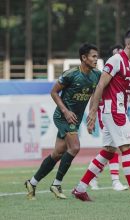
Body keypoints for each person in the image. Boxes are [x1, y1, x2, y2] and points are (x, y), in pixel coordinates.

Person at [72, 30, 130, 203]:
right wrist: (93, 112)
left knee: (109, 151)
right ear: (128, 44)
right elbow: (100, 85)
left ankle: (80, 188)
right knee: (127, 148)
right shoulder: (116, 60)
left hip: (118, 110)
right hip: (113, 111)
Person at [24, 43, 101, 200]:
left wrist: (92, 115)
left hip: (76, 119)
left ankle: (32, 182)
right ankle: (56, 184)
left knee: (58, 153)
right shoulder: (71, 74)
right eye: (93, 56)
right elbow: (54, 92)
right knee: (75, 147)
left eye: (96, 56)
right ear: (83, 58)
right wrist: (65, 111)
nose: (96, 59)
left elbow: (95, 95)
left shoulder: (96, 75)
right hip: (63, 116)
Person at [89, 44, 128, 191]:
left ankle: (91, 177)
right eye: (115, 53)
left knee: (109, 148)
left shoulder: (125, 71)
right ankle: (115, 181)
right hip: (106, 112)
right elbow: (95, 94)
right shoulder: (104, 74)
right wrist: (91, 114)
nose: (118, 55)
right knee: (114, 147)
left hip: (118, 111)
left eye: (120, 52)